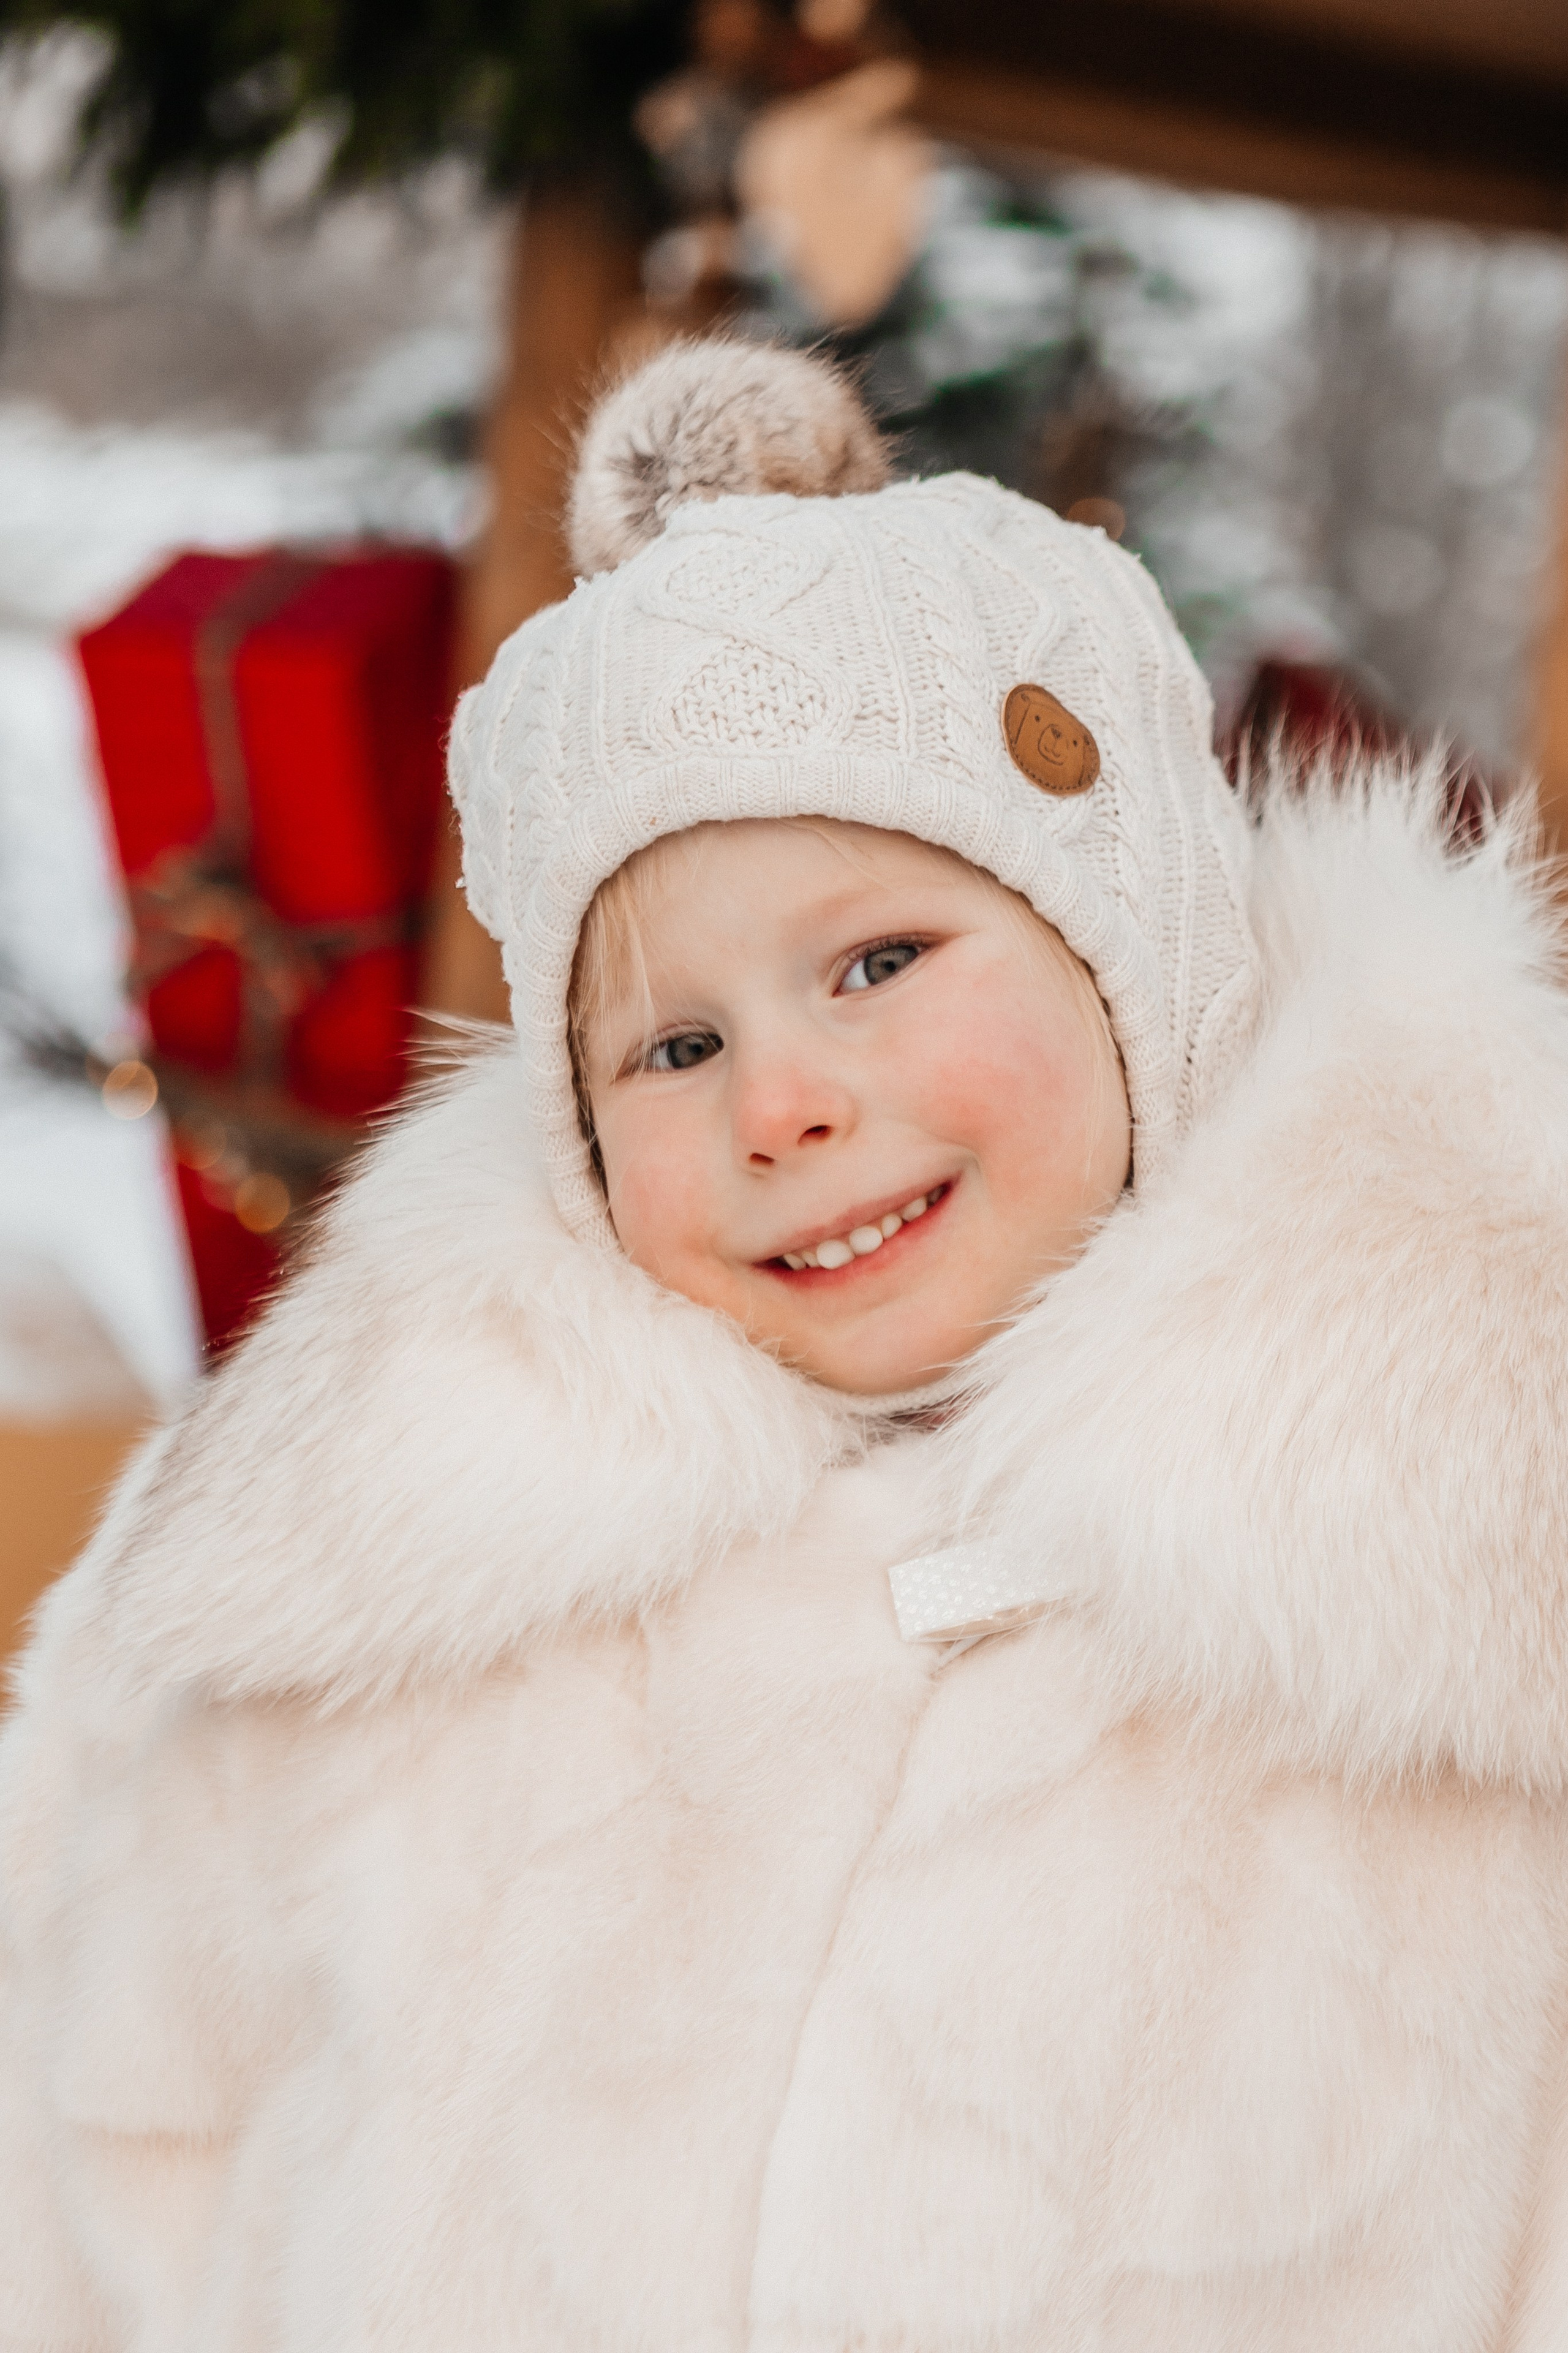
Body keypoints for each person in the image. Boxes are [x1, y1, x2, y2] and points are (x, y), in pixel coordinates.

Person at [4, 336, 1568, 2352]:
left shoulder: (1467, 1611)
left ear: (1140, 945)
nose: (781, 1105)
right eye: (673, 1043)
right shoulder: (340, 1646)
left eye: (881, 960)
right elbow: (85, 2167)